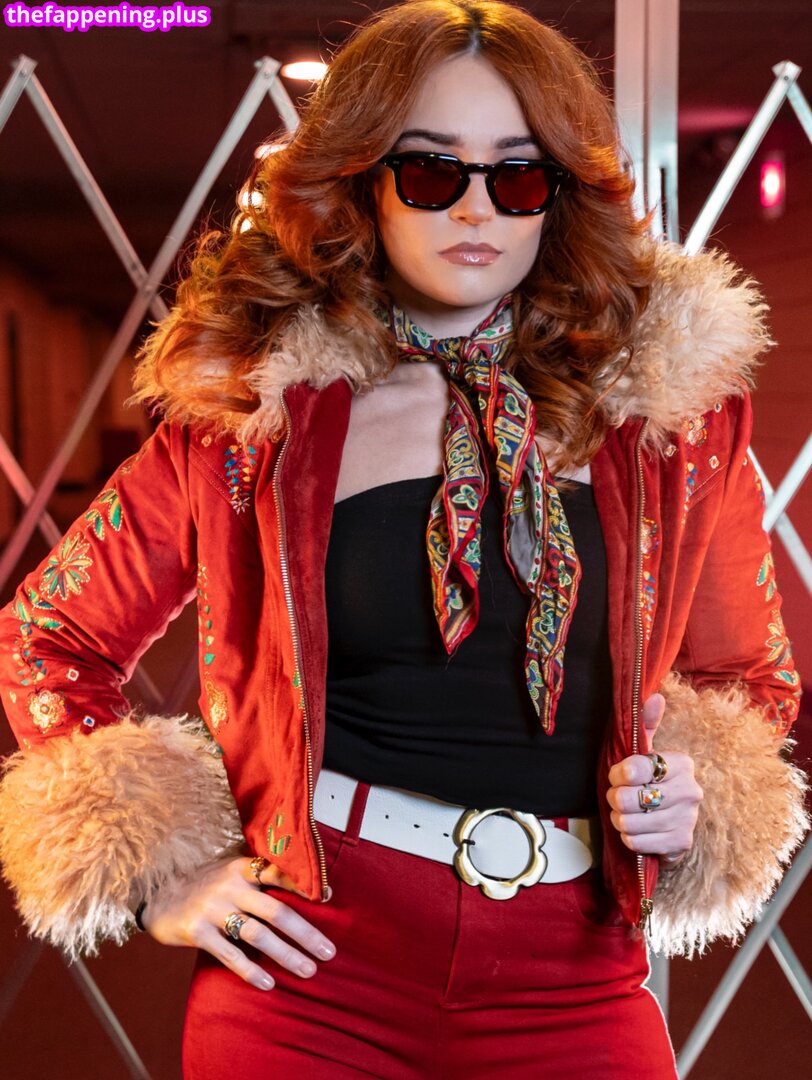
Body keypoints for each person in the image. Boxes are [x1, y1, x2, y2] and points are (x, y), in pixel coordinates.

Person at [0, 1, 807, 1077]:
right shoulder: (253, 418)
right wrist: (161, 874)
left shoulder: (670, 422)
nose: (475, 209)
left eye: (517, 176)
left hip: (574, 970)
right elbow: (47, 635)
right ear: (363, 181)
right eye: (430, 171)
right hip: (312, 974)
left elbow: (747, 677)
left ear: (560, 194)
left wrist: (689, 786)